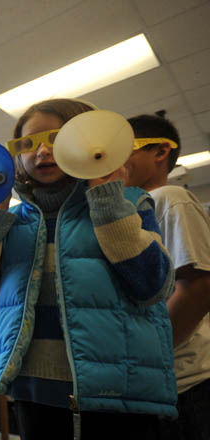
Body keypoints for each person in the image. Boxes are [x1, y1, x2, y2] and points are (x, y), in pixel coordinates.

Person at [0, 98, 176, 440]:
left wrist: (108, 201)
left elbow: (152, 286)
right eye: (29, 144)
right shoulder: (12, 222)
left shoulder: (132, 201)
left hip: (115, 393)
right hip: (33, 390)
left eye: (57, 138)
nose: (42, 152)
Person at [123, 114, 210, 440]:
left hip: (184, 382)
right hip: (160, 384)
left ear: (160, 152)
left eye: (125, 149)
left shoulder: (168, 198)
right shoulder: (133, 209)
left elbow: (198, 288)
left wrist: (148, 358)